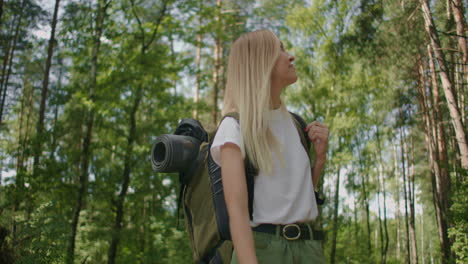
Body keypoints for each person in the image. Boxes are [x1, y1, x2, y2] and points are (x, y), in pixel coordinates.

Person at [210, 29, 329, 264]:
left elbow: (296, 200)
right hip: (262, 253)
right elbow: (238, 215)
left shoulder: (297, 125)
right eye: (280, 50)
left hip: (310, 250)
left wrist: (320, 161)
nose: (290, 56)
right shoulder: (234, 127)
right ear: (259, 64)